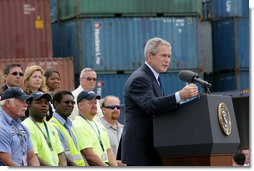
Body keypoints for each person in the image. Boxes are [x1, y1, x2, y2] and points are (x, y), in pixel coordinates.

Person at [121, 37, 199, 166]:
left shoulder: (153, 77)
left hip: (152, 148)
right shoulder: (140, 78)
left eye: (169, 56)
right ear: (149, 57)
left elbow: (159, 107)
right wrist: (180, 95)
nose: (167, 60)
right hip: (140, 150)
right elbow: (151, 105)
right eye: (163, 55)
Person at [73, 90, 117, 166]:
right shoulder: (78, 125)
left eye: (95, 103)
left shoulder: (98, 124)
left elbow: (108, 151)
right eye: (90, 103)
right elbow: (89, 155)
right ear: (80, 105)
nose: (94, 105)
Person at [22, 92, 67, 166]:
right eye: (38, 102)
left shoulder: (50, 126)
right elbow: (33, 157)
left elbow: (61, 153)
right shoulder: (26, 126)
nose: (44, 105)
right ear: (29, 105)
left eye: (46, 103)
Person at [0, 87, 39, 166]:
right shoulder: (1, 126)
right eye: (21, 101)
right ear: (7, 103)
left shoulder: (21, 126)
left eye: (26, 101)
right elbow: (7, 162)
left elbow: (31, 156)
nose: (26, 105)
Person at [49, 90, 87, 166]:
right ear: (56, 104)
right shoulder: (52, 126)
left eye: (73, 103)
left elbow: (78, 151)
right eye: (67, 102)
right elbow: (62, 156)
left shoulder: (71, 125)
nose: (70, 105)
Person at [100, 95, 125, 166]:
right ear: (103, 109)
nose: (116, 109)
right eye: (112, 107)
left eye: (118, 107)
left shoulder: (123, 129)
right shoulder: (98, 128)